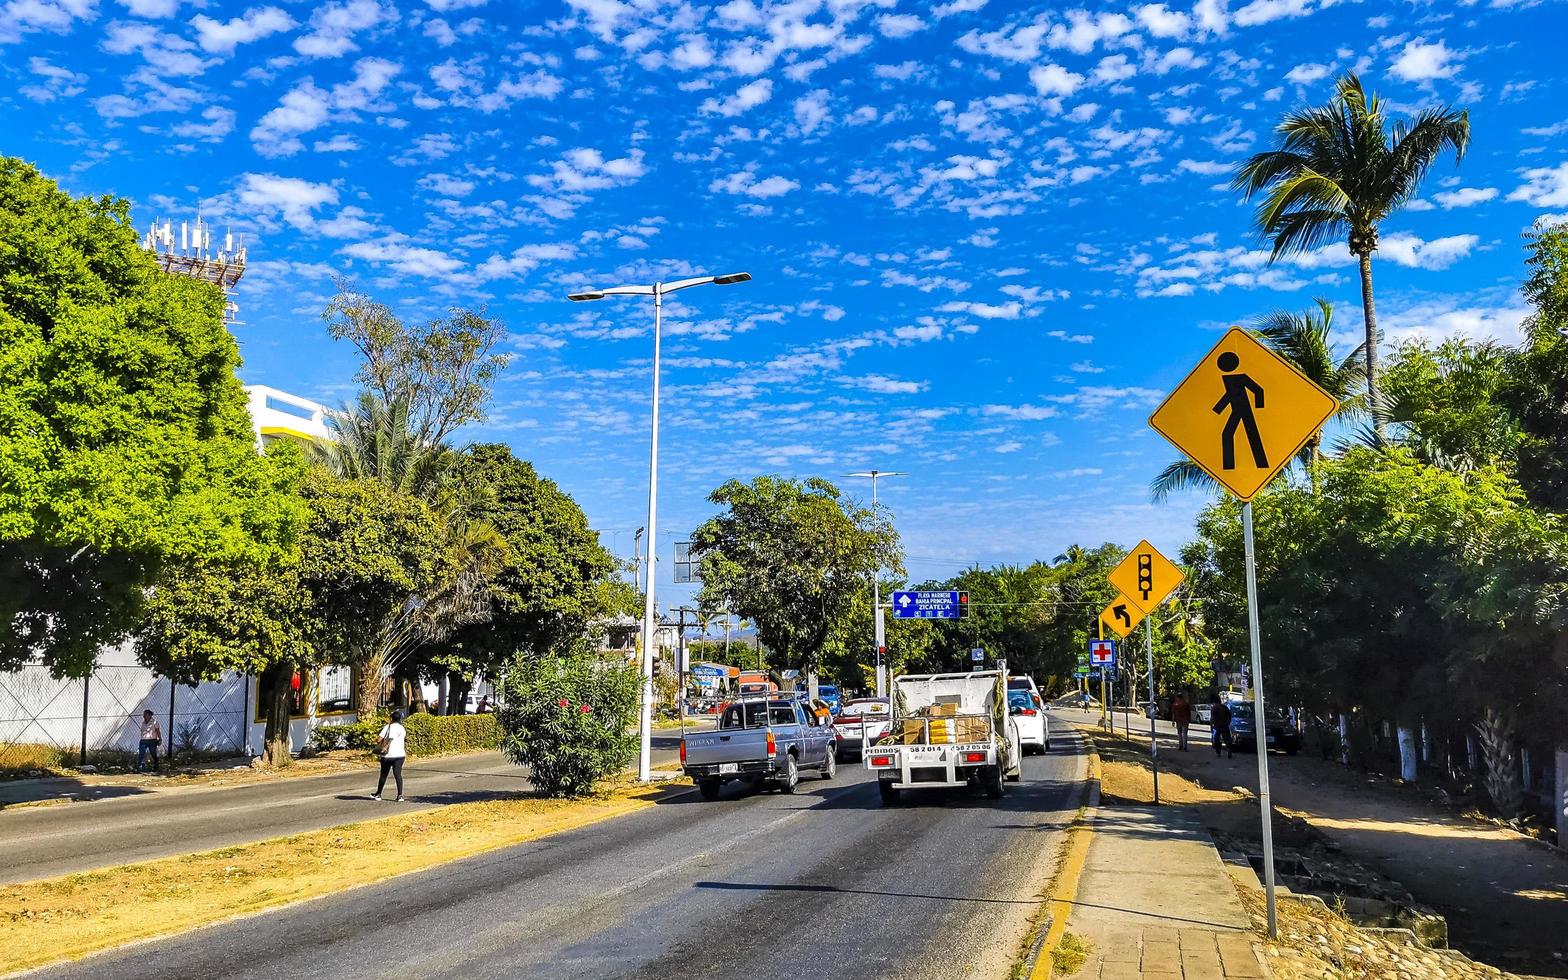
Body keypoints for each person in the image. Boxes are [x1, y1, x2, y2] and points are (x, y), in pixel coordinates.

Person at [372, 710, 407, 802]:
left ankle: (378, 794)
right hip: (400, 755)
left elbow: (379, 740)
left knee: (383, 775)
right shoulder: (402, 728)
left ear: (391, 718)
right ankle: (400, 795)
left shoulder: (388, 727)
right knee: (398, 774)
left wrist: (378, 740)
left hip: (388, 755)